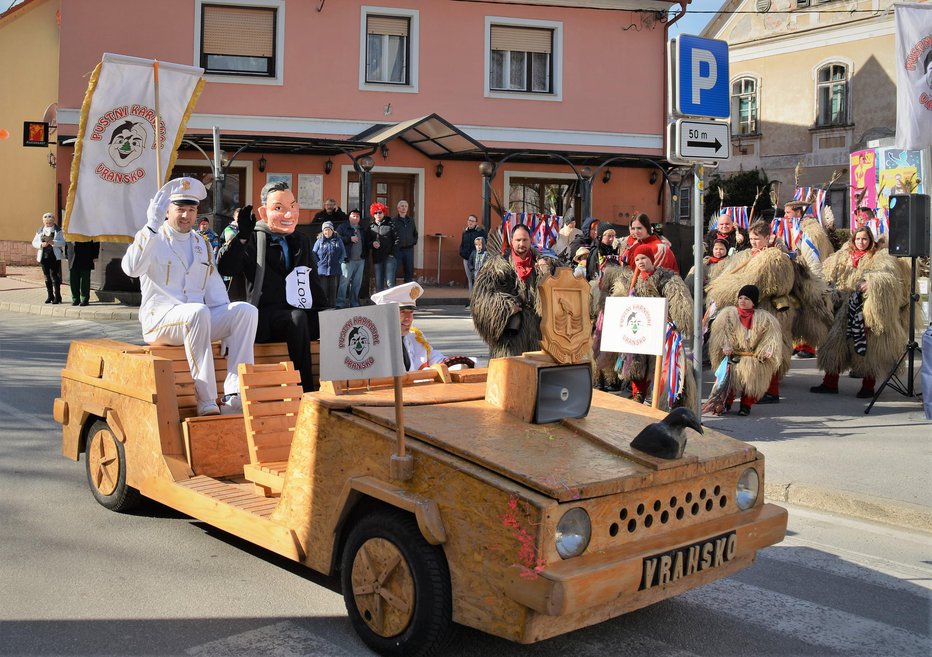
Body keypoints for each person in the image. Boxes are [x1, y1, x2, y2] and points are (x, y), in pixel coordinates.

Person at [122, 177, 258, 416]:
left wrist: (228, 330)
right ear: (166, 211)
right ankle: (206, 399)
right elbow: (131, 269)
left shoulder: (201, 243)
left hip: (197, 320)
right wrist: (151, 227)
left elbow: (215, 288)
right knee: (198, 312)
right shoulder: (153, 237)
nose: (186, 216)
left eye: (192, 210)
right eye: (180, 209)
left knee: (246, 312)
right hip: (161, 321)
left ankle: (235, 393)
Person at [216, 180, 329, 393]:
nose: (289, 214)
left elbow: (311, 279)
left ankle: (340, 385)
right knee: (297, 318)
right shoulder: (252, 238)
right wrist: (241, 237)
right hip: (262, 317)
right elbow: (226, 267)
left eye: (293, 206)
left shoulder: (300, 240)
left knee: (336, 318)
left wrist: (326, 311)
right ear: (263, 212)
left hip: (298, 312)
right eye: (279, 208)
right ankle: (306, 391)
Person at [810, 227, 911, 398]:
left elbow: (887, 275)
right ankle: (830, 382)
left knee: (868, 349)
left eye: (864, 239)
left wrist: (871, 282)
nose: (861, 242)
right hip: (842, 307)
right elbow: (826, 274)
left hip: (865, 309)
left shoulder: (879, 257)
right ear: (853, 240)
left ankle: (868, 387)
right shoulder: (843, 256)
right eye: (858, 239)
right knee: (834, 344)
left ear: (870, 240)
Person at [592, 244, 694, 406]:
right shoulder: (630, 282)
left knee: (658, 365)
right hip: (639, 328)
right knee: (635, 362)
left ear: (651, 259)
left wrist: (676, 322)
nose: (640, 261)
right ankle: (638, 393)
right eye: (637, 259)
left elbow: (679, 302)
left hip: (661, 329)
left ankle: (661, 397)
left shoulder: (666, 278)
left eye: (644, 258)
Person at [471, 223, 555, 359]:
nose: (521, 244)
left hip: (538, 335)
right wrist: (507, 307)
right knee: (509, 374)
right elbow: (482, 296)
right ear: (512, 242)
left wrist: (546, 271)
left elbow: (561, 288)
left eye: (525, 240)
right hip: (510, 337)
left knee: (535, 374)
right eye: (518, 240)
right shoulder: (497, 266)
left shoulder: (544, 263)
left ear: (530, 240)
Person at [707, 285, 782, 416]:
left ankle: (746, 406)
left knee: (751, 383)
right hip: (734, 356)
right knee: (728, 382)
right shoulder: (728, 315)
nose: (742, 301)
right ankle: (726, 403)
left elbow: (771, 337)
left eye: (746, 298)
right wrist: (726, 345)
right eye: (740, 297)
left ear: (753, 301)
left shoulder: (765, 318)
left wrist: (766, 349)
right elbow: (721, 333)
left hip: (752, 357)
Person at [371, 281, 448, 372]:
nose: (409, 319)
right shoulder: (373, 345)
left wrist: (456, 364)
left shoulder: (415, 337)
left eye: (411, 312)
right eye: (402, 312)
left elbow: (434, 357)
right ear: (385, 315)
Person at [336, 209, 367, 308]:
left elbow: (366, 243)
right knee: (344, 282)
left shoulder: (362, 229)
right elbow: (336, 239)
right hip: (347, 260)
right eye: (353, 216)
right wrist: (349, 239)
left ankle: (354, 302)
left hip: (360, 260)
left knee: (357, 283)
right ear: (349, 217)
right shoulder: (342, 227)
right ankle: (340, 303)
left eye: (357, 216)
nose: (356, 217)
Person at [33, 212, 65, 304]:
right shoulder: (40, 230)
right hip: (44, 257)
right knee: (47, 277)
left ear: (53, 221)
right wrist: (41, 244)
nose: (48, 224)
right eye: (46, 222)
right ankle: (50, 296)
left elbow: (63, 242)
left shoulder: (58, 230)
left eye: (50, 222)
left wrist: (53, 242)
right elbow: (34, 242)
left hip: (54, 256)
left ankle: (58, 296)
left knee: (54, 276)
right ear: (43, 222)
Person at [313, 220, 345, 307]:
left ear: (332, 230)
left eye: (329, 230)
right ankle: (324, 307)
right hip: (322, 270)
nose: (327, 232)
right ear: (323, 231)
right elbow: (313, 253)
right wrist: (318, 263)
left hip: (334, 269)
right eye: (325, 230)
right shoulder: (319, 241)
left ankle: (332, 307)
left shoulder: (338, 240)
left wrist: (339, 262)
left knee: (333, 289)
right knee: (323, 290)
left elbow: (343, 252)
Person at [367, 202, 397, 293]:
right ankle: (380, 304)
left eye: (380, 212)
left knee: (390, 282)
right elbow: (367, 242)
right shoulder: (371, 227)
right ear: (373, 214)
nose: (378, 214)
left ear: (384, 212)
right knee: (378, 282)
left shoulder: (391, 224)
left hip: (389, 257)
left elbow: (397, 240)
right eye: (376, 213)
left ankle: (391, 303)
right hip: (377, 257)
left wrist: (392, 253)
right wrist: (372, 244)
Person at [391, 199, 418, 285]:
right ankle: (393, 291)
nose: (404, 208)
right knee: (395, 271)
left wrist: (413, 242)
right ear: (398, 208)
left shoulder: (411, 220)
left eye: (406, 206)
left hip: (409, 250)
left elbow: (415, 233)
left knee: (409, 272)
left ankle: (408, 292)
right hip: (398, 250)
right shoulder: (393, 221)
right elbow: (390, 235)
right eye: (402, 206)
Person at [458, 214, 486, 292]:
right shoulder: (465, 232)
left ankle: (478, 299)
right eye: (469, 220)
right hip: (466, 258)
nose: (470, 222)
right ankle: (471, 299)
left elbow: (484, 244)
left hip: (476, 259)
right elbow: (462, 244)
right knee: (469, 279)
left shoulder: (480, 232)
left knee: (477, 278)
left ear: (475, 223)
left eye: (472, 221)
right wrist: (461, 252)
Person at [67, 240, 100, 306]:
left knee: (85, 279)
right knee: (73, 279)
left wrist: (95, 255)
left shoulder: (90, 229)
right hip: (73, 255)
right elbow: (67, 240)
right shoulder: (71, 229)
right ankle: (75, 299)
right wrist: (66, 254)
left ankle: (84, 299)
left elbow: (96, 240)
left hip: (86, 255)